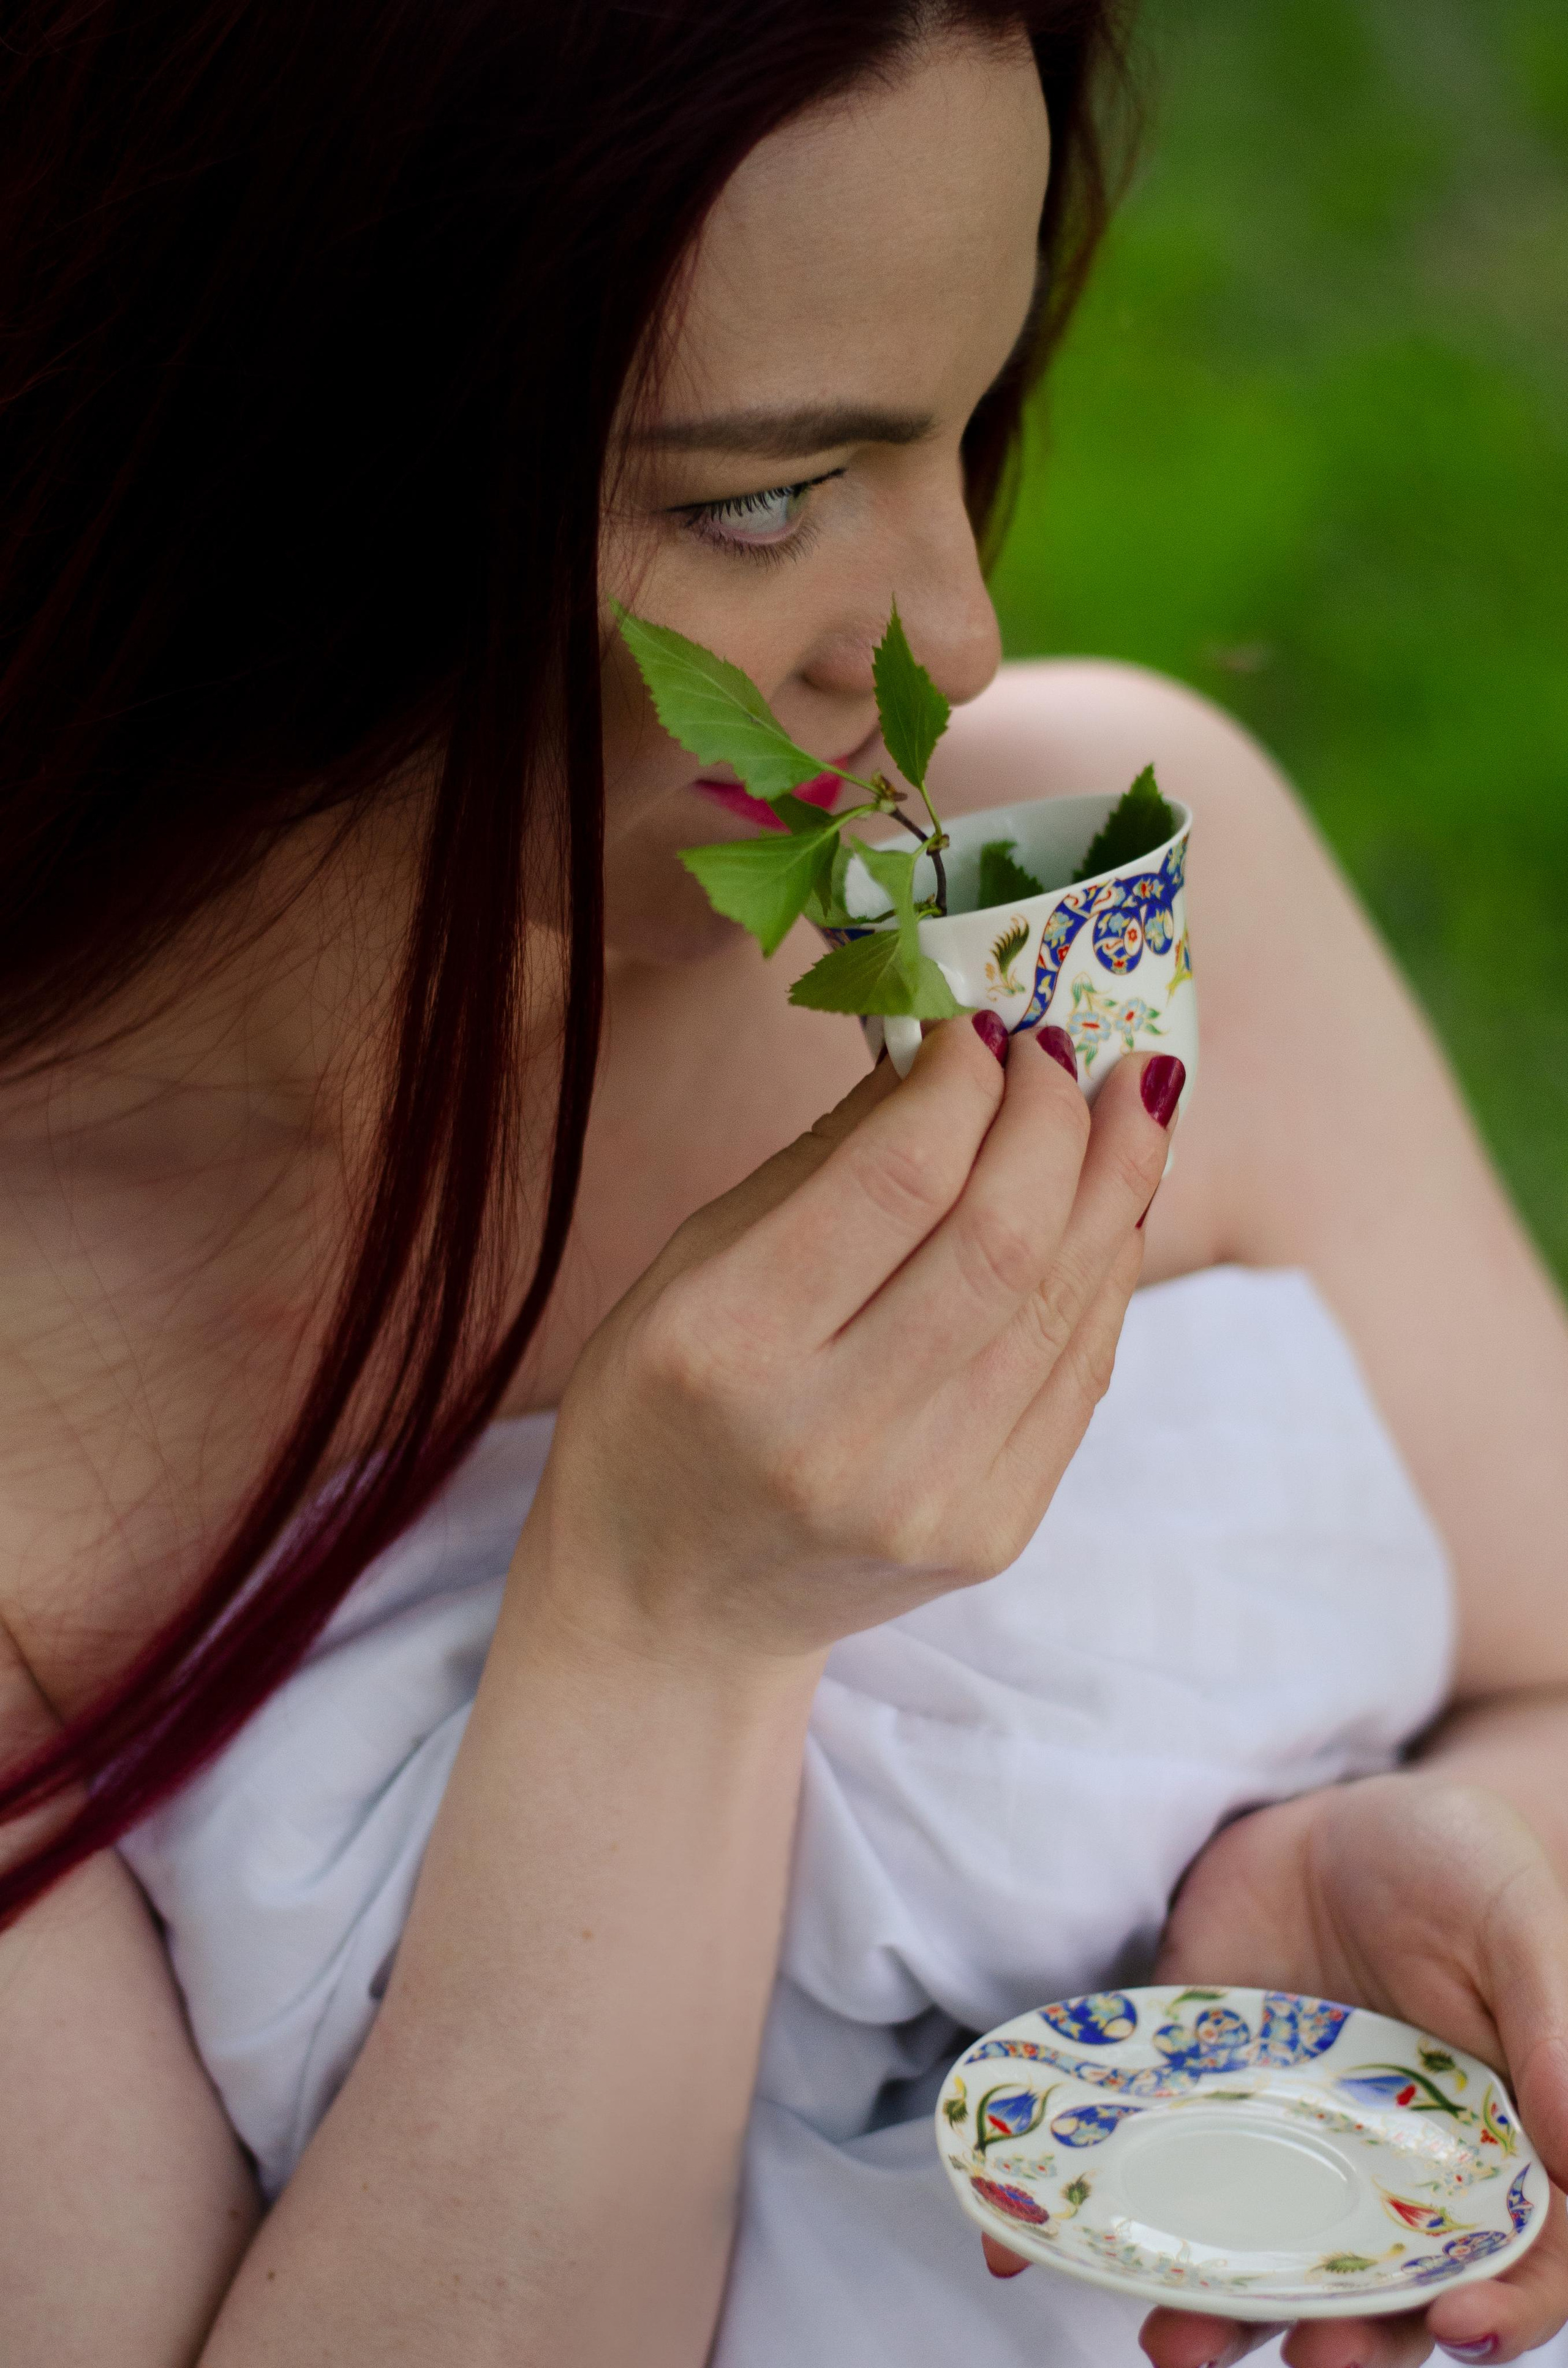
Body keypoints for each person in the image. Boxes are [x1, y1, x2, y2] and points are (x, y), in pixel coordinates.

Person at [2, 3, 1567, 2364]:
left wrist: (1353, 1874)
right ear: (259, 440)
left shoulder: (1095, 888)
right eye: (759, 496)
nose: (956, 635)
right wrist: (664, 1627)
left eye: (959, 422)